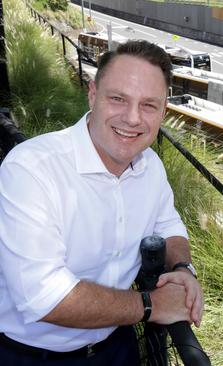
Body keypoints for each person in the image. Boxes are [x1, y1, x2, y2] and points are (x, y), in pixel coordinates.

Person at [0, 40, 203, 365]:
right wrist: (151, 305)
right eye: (118, 98)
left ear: (164, 112)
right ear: (92, 94)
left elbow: (168, 226)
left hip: (117, 347)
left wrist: (183, 269)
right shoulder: (31, 168)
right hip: (31, 356)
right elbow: (43, 296)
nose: (133, 118)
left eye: (149, 105)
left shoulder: (150, 166)